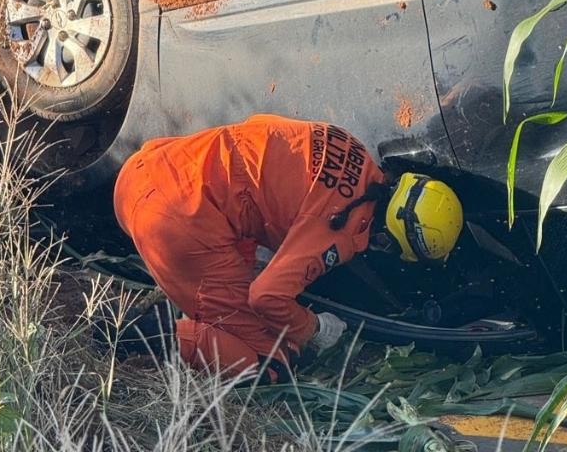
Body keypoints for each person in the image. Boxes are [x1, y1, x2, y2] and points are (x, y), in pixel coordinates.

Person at [113, 113, 463, 382]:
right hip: (173, 218)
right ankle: (132, 334)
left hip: (149, 169)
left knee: (261, 320)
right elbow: (266, 297)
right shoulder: (341, 227)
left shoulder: (353, 147)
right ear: (390, 240)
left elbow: (261, 135)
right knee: (271, 363)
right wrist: (314, 328)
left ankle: (188, 317)